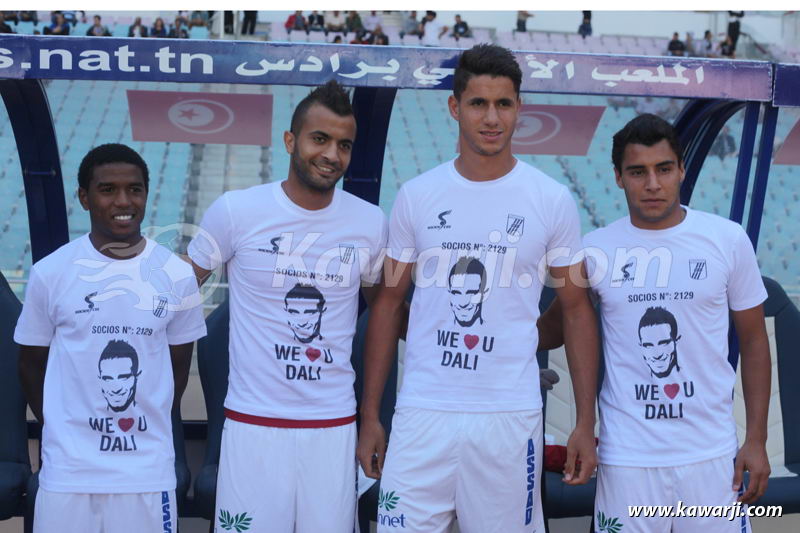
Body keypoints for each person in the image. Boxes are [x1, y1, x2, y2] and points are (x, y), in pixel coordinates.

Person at [357, 43, 599, 533]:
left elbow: (575, 310)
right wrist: (371, 416)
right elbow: (386, 306)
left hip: (509, 417)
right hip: (423, 412)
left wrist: (585, 423)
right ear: (454, 107)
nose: (492, 118)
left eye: (503, 104)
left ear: (518, 108)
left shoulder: (551, 201)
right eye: (478, 103)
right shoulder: (418, 196)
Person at [539, 113, 771, 532]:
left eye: (663, 169)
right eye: (637, 172)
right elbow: (555, 328)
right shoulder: (593, 250)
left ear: (681, 169)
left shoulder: (728, 240)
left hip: (711, 458)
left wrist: (755, 439)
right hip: (628, 460)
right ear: (618, 177)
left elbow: (754, 342)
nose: (652, 184)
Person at [187, 80, 388, 533]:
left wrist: (370, 417)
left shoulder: (370, 222)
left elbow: (386, 317)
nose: (332, 154)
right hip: (251, 425)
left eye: (344, 144)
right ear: (291, 140)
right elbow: (176, 291)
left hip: (333, 426)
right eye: (320, 139)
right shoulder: (236, 211)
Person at [15, 143, 207, 533]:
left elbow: (177, 371)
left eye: (134, 189)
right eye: (108, 189)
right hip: (68, 472)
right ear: (84, 197)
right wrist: (63, 428)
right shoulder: (50, 273)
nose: (124, 200)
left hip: (146, 475)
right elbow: (30, 365)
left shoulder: (176, 276)